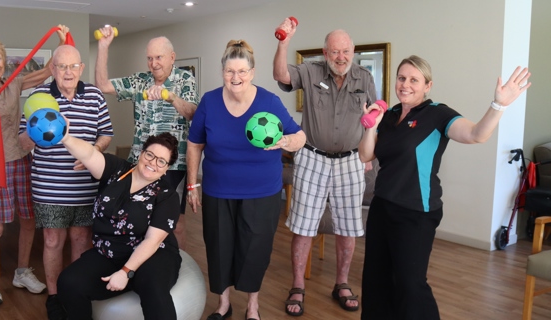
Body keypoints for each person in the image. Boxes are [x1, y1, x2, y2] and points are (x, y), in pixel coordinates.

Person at [358, 56, 531, 319]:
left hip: (416, 211)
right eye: (401, 78)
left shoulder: (437, 113)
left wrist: (499, 105)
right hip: (382, 206)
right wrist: (371, 124)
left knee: (410, 284)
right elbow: (365, 155)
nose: (405, 85)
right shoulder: (390, 114)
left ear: (427, 85)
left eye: (414, 80)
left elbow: (476, 135)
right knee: (375, 280)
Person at [187, 40, 306, 320]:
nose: (235, 77)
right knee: (219, 248)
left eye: (242, 71)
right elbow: (194, 144)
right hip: (218, 190)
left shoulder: (269, 101)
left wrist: (285, 140)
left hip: (262, 192)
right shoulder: (210, 101)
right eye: (230, 71)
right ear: (222, 71)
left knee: (255, 250)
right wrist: (192, 185)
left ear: (252, 72)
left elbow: (300, 137)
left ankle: (253, 306)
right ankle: (224, 304)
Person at [273, 20, 376, 316]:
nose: (340, 57)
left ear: (353, 51)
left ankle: (341, 283)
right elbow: (281, 74)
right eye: (334, 52)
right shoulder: (310, 70)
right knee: (303, 226)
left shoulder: (365, 78)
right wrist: (283, 42)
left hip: (351, 160)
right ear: (325, 52)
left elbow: (374, 116)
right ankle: (297, 285)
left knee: (348, 228)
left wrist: (368, 155)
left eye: (345, 51)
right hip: (312, 157)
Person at [0, 26, 67, 305]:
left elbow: (47, 71)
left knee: (28, 220)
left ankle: (22, 272)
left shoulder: (14, 83)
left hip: (21, 160)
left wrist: (60, 41)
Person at [26, 44, 114, 320]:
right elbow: (20, 141)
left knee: (81, 240)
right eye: (61, 66)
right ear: (52, 69)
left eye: (73, 66)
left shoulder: (95, 96)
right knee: (52, 241)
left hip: (86, 187)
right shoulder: (38, 96)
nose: (68, 71)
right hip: (49, 187)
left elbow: (107, 133)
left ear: (81, 68)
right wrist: (39, 131)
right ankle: (54, 297)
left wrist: (94, 152)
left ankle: (74, 292)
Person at [56, 132, 182, 320]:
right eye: (150, 155)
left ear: (167, 168)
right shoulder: (118, 170)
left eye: (161, 161)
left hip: (154, 254)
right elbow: (90, 155)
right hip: (109, 252)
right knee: (69, 282)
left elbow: (152, 241)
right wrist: (65, 138)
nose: (153, 163)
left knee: (152, 285)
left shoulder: (167, 195)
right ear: (141, 153)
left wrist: (125, 272)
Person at [95, 27, 197, 249]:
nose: (154, 63)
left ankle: (175, 262)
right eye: (150, 58)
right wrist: (103, 47)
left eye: (159, 57)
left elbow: (192, 112)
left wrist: (170, 97)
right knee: (139, 217)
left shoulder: (185, 79)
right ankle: (140, 262)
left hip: (173, 165)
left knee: (175, 222)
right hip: (140, 163)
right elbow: (103, 85)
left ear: (172, 57)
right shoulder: (140, 81)